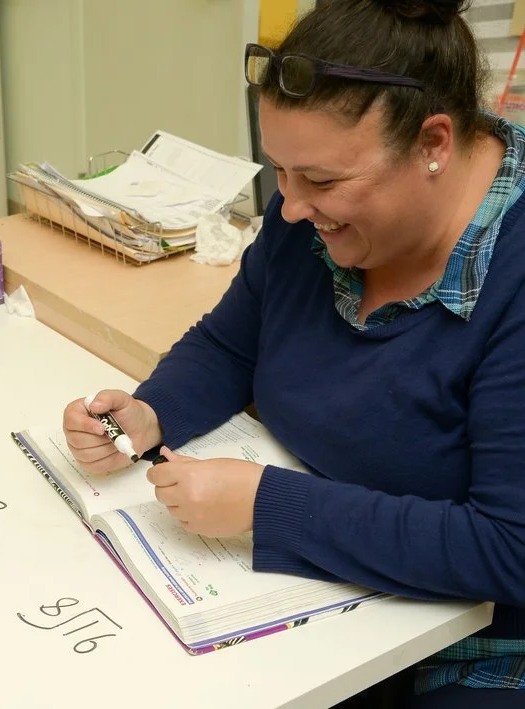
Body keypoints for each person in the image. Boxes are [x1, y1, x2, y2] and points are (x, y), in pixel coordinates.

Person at [62, 0, 525, 706]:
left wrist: (267, 505)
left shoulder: (512, 278)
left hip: (476, 649)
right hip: (327, 614)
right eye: (278, 170)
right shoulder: (306, 215)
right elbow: (231, 343)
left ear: (433, 143)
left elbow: (509, 548)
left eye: (321, 181)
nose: (290, 207)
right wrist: (151, 413)